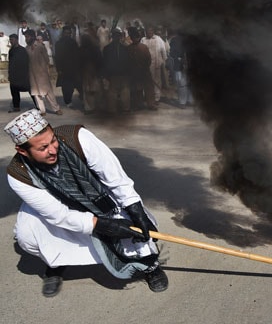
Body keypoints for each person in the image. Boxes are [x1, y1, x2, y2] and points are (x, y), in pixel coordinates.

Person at [4, 109, 168, 297]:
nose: (52, 150)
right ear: (22, 151)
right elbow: (59, 215)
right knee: (27, 234)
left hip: (100, 197)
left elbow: (115, 178)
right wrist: (104, 226)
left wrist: (135, 209)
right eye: (42, 148)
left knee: (135, 227)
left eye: (53, 141)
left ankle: (150, 265)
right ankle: (56, 263)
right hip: (59, 208)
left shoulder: (77, 138)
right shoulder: (18, 175)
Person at [25, 30, 62, 116]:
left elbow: (46, 59)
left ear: (32, 36)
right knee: (36, 93)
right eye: (25, 37)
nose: (26, 39)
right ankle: (42, 110)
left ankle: (56, 109)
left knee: (48, 92)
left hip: (42, 74)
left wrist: (44, 69)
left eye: (27, 37)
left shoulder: (40, 46)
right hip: (32, 74)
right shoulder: (26, 48)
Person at [102, 28, 131, 113]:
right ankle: (124, 108)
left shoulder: (107, 48)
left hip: (115, 74)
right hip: (119, 74)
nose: (117, 37)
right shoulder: (125, 48)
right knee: (123, 92)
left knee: (114, 92)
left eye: (117, 35)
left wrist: (105, 74)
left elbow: (104, 62)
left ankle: (113, 109)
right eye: (116, 35)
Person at [127, 27, 156, 111]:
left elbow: (128, 62)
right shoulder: (144, 47)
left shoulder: (128, 48)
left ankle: (139, 104)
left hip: (135, 72)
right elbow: (149, 60)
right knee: (149, 88)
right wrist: (145, 67)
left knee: (138, 89)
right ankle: (151, 104)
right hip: (145, 71)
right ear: (138, 38)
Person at [54, 26, 83, 108]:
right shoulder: (58, 44)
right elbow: (57, 57)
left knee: (78, 84)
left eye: (69, 33)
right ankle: (68, 101)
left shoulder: (73, 43)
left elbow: (77, 55)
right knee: (66, 87)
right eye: (66, 33)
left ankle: (83, 98)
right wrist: (59, 69)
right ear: (63, 33)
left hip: (73, 68)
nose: (67, 35)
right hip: (64, 69)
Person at [7, 34, 35, 112]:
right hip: (13, 74)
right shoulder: (11, 50)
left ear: (16, 40)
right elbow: (10, 62)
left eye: (12, 40)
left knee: (30, 90)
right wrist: (9, 73)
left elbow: (26, 62)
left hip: (23, 74)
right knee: (14, 90)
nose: (11, 41)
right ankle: (16, 106)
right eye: (10, 40)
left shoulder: (22, 50)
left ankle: (38, 105)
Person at [141, 26, 167, 106]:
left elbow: (163, 51)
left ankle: (157, 98)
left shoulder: (158, 39)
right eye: (148, 31)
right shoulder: (143, 39)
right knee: (146, 81)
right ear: (146, 32)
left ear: (153, 31)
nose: (149, 33)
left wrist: (163, 62)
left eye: (151, 31)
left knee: (157, 81)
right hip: (146, 65)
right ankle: (147, 97)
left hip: (156, 64)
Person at [167, 29, 193, 108]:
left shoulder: (191, 40)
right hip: (179, 66)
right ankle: (184, 102)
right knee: (183, 84)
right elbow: (171, 53)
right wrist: (179, 58)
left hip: (189, 65)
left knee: (185, 84)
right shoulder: (175, 40)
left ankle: (187, 101)